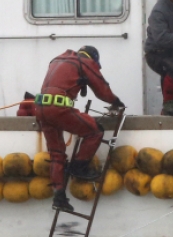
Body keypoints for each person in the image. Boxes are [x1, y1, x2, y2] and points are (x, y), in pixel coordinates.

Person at [35, 46, 124, 212]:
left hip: (40, 109)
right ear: (93, 58)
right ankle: (79, 167)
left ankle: (59, 197)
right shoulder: (84, 62)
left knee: (56, 153)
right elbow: (101, 88)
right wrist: (116, 101)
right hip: (57, 108)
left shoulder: (58, 59)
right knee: (95, 131)